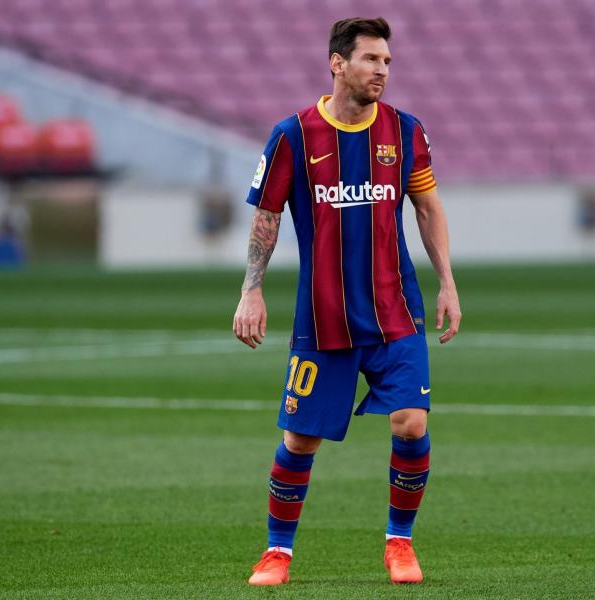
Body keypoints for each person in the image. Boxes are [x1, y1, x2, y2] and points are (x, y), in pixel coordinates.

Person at [231, 16, 461, 587]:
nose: (382, 70)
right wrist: (251, 290)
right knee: (299, 439)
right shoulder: (293, 135)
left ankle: (400, 544)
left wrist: (448, 282)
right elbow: (266, 217)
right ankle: (277, 552)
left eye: (387, 61)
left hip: (395, 314)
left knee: (411, 423)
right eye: (371, 60)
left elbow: (428, 208)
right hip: (323, 319)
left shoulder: (406, 131)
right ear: (338, 63)